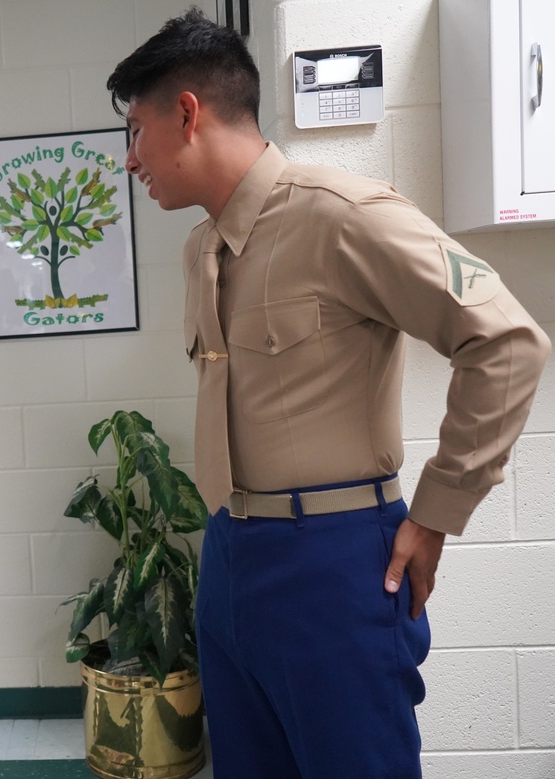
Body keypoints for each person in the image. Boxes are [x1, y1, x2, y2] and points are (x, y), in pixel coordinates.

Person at [107, 9, 549, 779]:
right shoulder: (201, 250)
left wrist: (438, 513)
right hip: (230, 559)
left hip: (334, 564)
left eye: (136, 131)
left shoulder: (343, 216)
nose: (130, 160)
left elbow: (508, 340)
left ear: (187, 114)